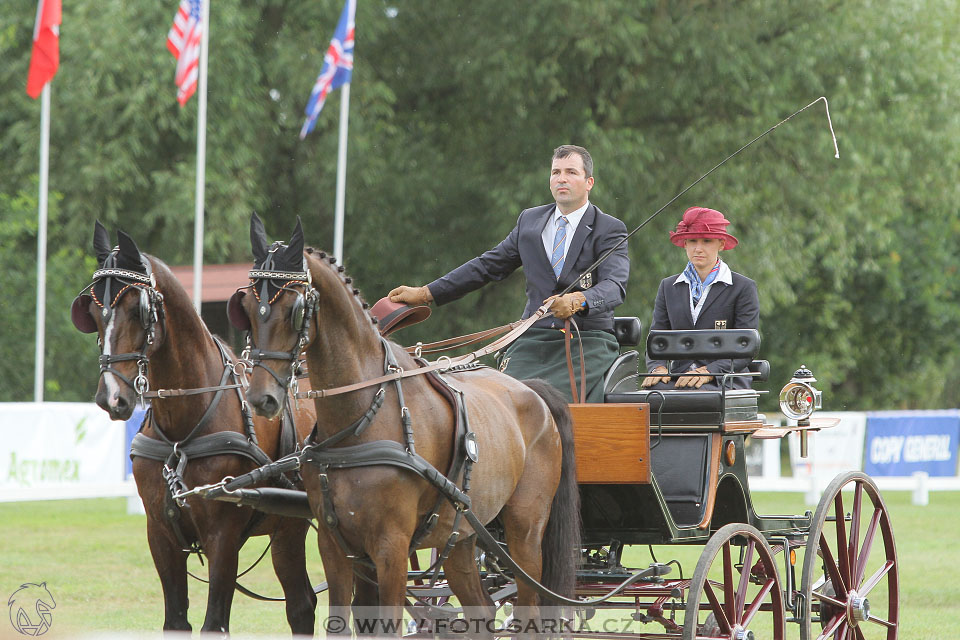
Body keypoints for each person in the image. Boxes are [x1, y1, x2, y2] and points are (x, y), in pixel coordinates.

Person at [389, 145, 629, 402]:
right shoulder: (529, 221)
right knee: (499, 400)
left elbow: (615, 286)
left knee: (546, 401)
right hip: (532, 339)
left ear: (589, 182)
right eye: (556, 172)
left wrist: (579, 300)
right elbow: (486, 266)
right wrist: (427, 293)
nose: (561, 178)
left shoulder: (609, 229)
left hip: (587, 342)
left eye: (571, 172)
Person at [641, 206, 759, 390]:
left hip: (725, 381)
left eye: (706, 241)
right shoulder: (668, 287)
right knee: (651, 395)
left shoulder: (742, 287)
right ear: (685, 244)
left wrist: (709, 371)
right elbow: (658, 337)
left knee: (698, 394)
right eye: (692, 241)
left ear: (721, 244)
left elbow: (745, 347)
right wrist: (658, 367)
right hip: (679, 379)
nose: (698, 248)